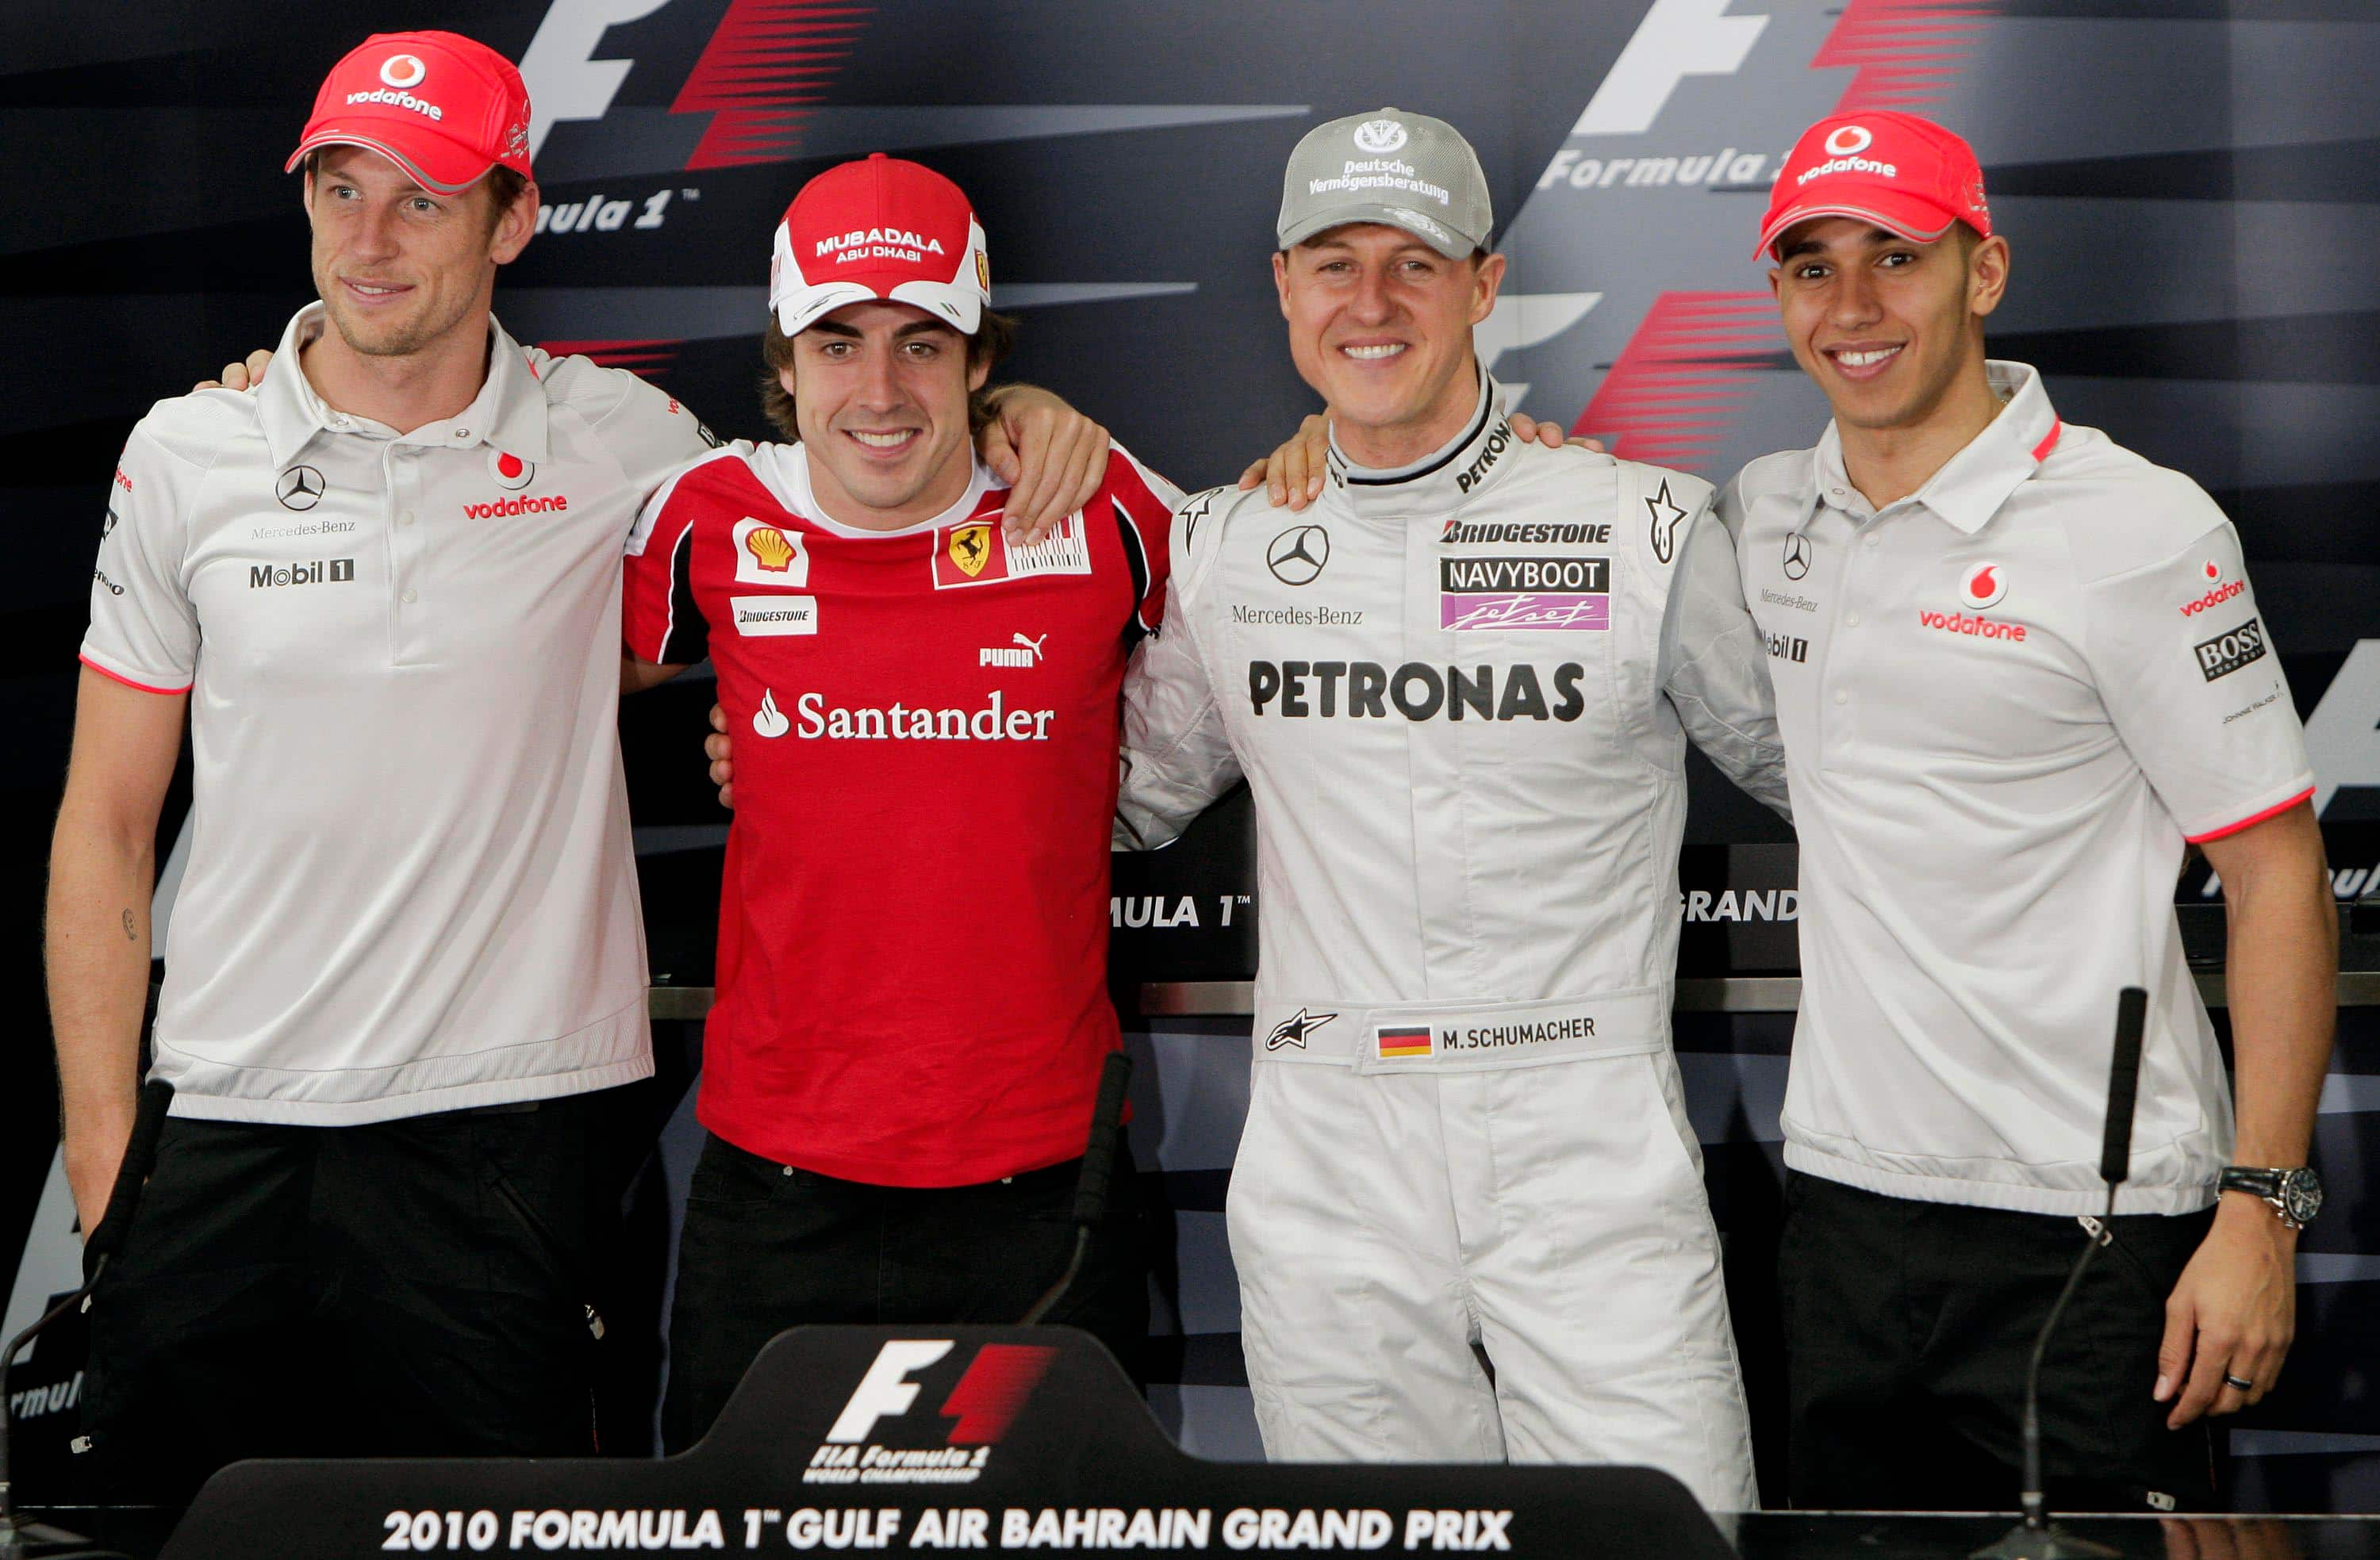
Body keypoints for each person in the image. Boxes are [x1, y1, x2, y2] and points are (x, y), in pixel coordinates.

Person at [50, 33, 1103, 1498]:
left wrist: (1006, 423)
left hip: (513, 1137)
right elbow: (102, 824)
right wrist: (110, 1171)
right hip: (225, 1128)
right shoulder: (188, 452)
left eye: (423, 200)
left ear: (515, 217)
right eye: (342, 189)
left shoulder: (627, 447)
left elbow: (854, 499)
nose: (371, 239)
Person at [1113, 109, 1783, 1506]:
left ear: (1484, 283)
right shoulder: (1228, 546)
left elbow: (1832, 774)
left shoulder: (1642, 525)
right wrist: (802, 743)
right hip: (1330, 1144)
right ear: (1283, 286)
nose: (1371, 303)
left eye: (1414, 263)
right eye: (1334, 263)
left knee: (1667, 1542)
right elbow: (1114, 800)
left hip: (1582, 1127)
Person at [1718, 111, 2335, 1511]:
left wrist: (2265, 1211)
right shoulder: (1764, 513)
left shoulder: (2141, 528)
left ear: (1985, 271)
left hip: (2093, 1229)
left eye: (1896, 256)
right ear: (1777, 296)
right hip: (1842, 1213)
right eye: (1812, 267)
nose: (1854, 306)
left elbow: (2276, 876)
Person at [617, 154, 1182, 1451]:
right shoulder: (703, 521)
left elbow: (1305, 586)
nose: (879, 391)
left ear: (982, 359)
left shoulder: (1100, 508)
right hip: (773, 1191)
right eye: (838, 341)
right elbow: (510, 684)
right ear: (786, 357)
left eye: (922, 342)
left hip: (1044, 1192)